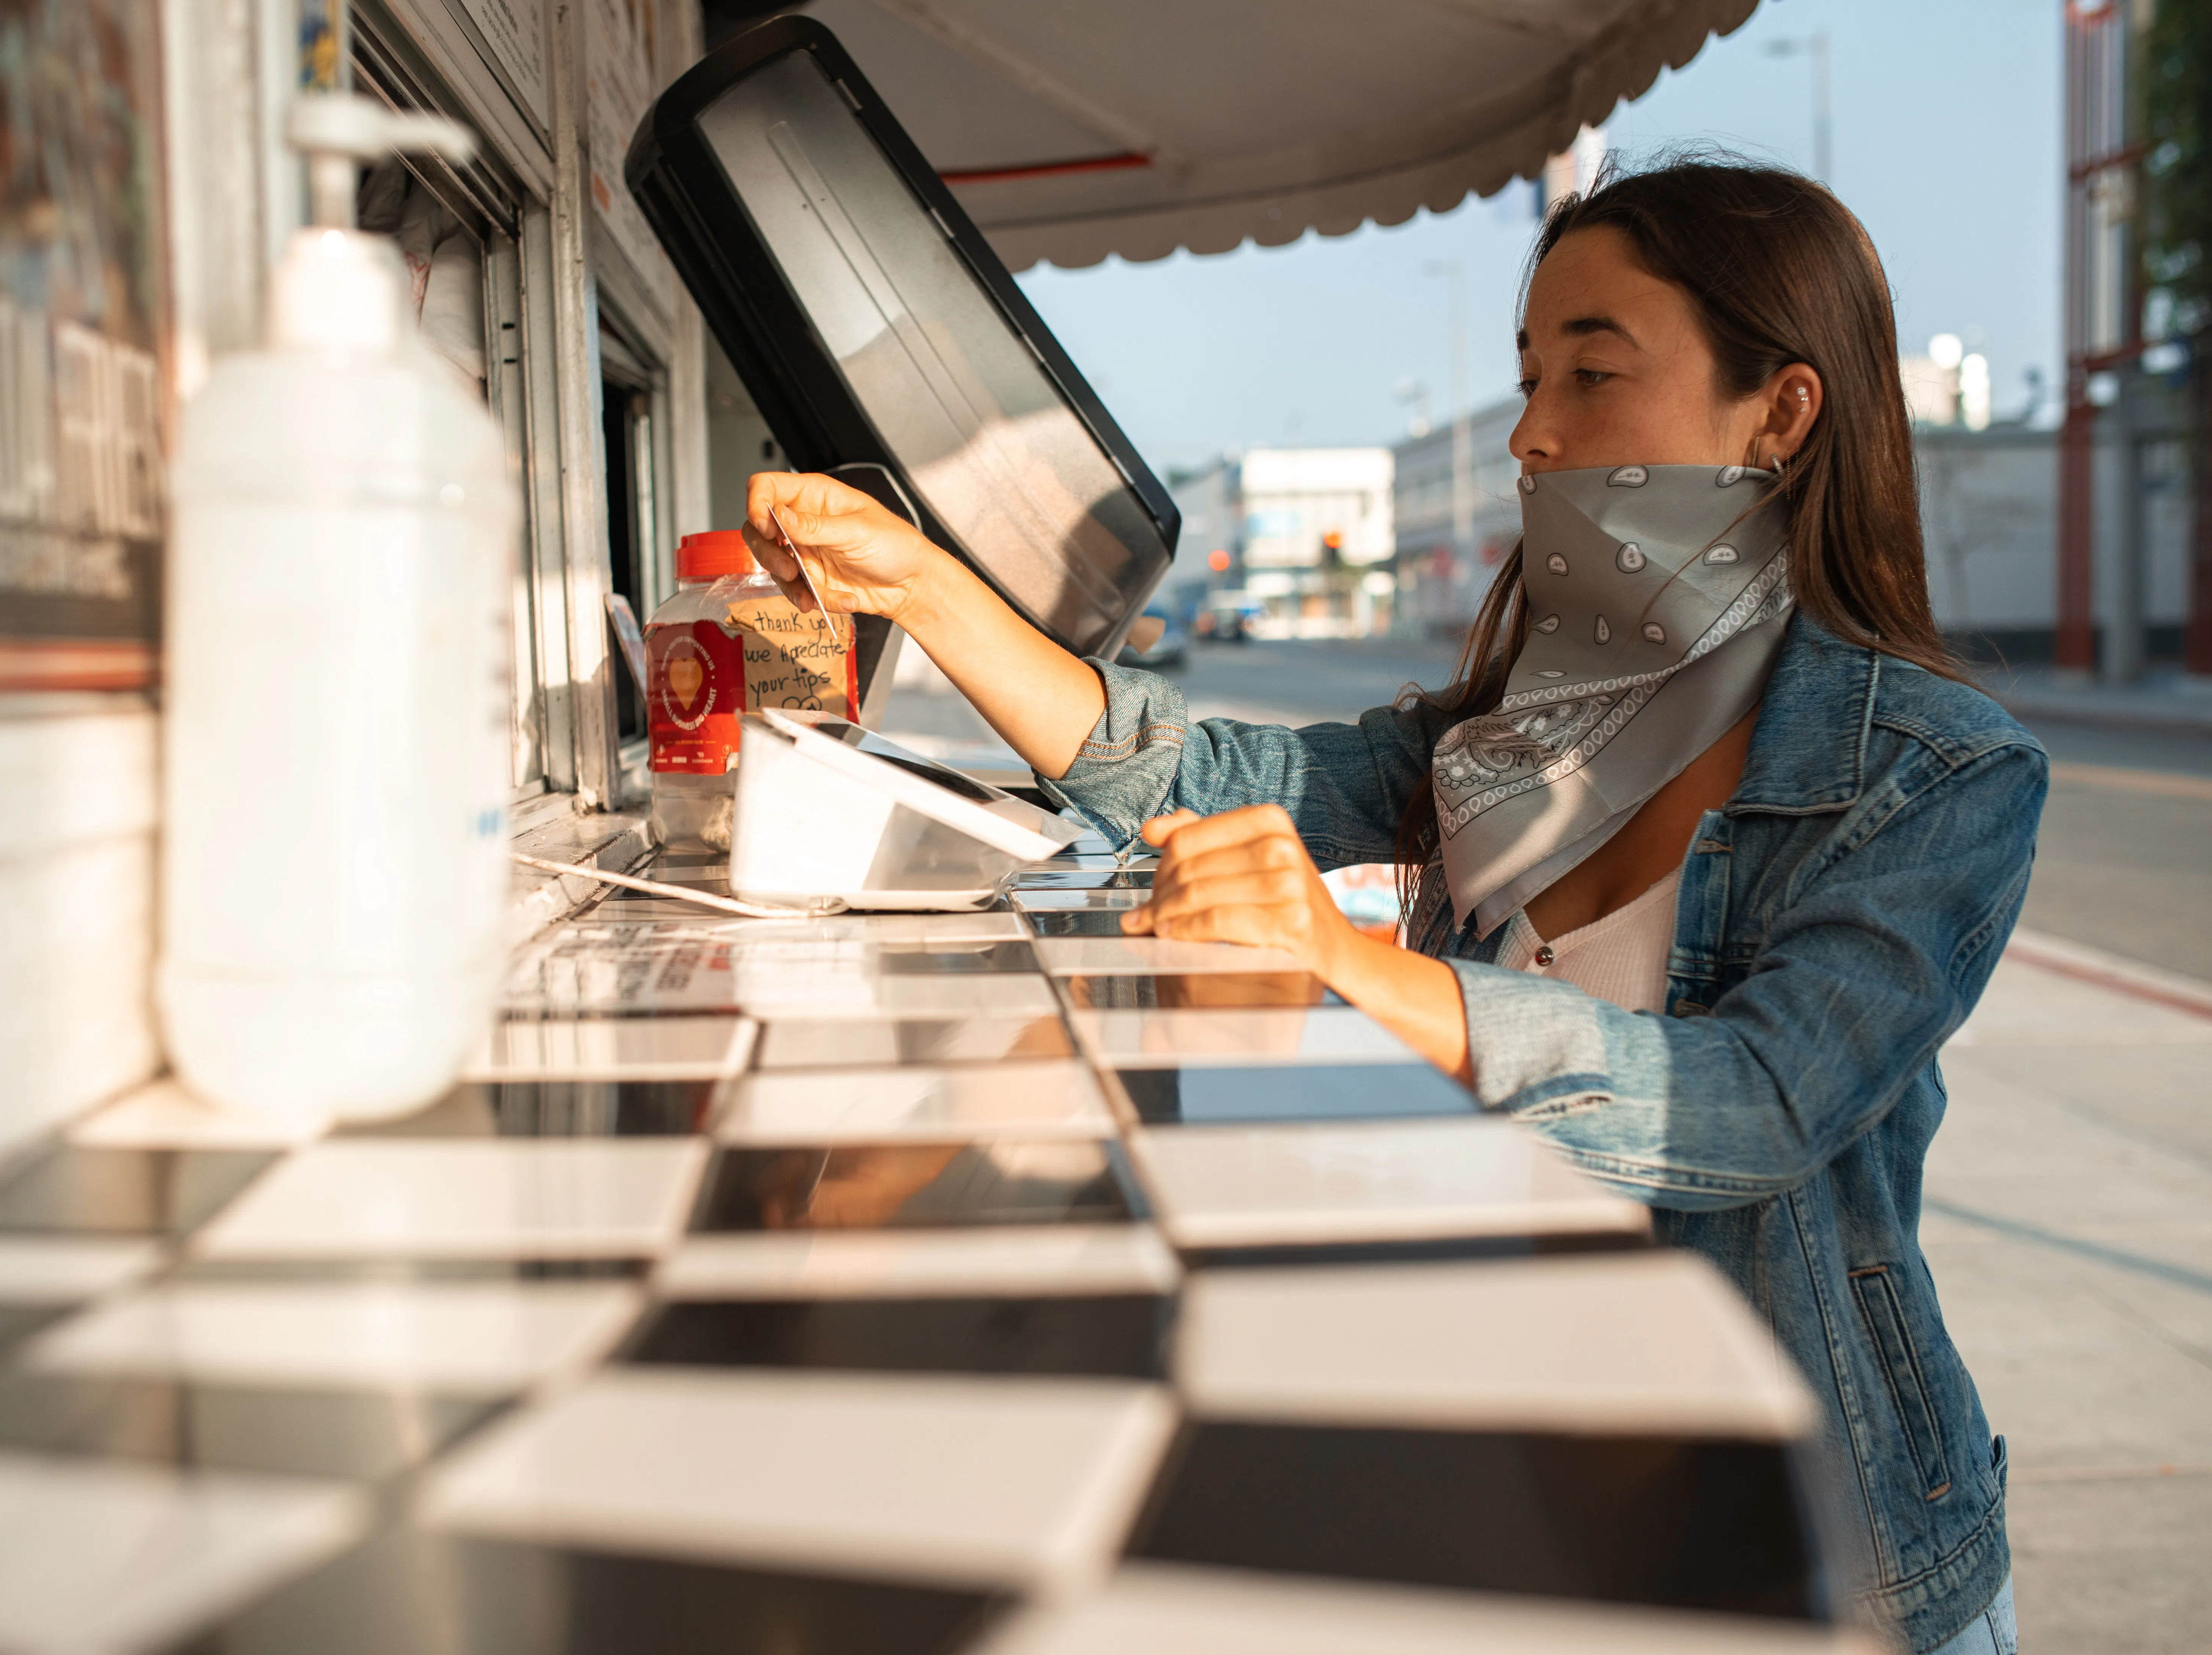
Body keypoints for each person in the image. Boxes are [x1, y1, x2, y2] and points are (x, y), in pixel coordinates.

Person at [742, 158, 2036, 1655]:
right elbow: (1226, 778)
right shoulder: (1535, 721)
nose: (1534, 432)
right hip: (1525, 1509)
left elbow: (1748, 1109)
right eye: (1529, 377)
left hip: (1827, 1560)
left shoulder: (1941, 771)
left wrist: (1349, 966)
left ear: (1782, 412)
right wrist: (930, 591)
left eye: (1594, 374)